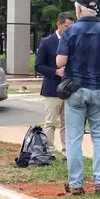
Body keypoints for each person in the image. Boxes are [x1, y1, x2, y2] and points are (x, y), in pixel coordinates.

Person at [57, 0, 100, 194]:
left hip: (75, 89)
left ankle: (76, 184)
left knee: (74, 138)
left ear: (78, 9)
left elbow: (60, 62)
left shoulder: (70, 31)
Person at [35, 13, 74, 156]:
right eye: (67, 26)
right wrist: (55, 72)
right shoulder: (47, 42)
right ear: (58, 24)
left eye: (72, 27)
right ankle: (49, 151)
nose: (70, 29)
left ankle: (67, 152)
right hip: (52, 88)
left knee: (67, 123)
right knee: (50, 122)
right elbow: (38, 65)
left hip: (70, 88)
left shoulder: (74, 41)